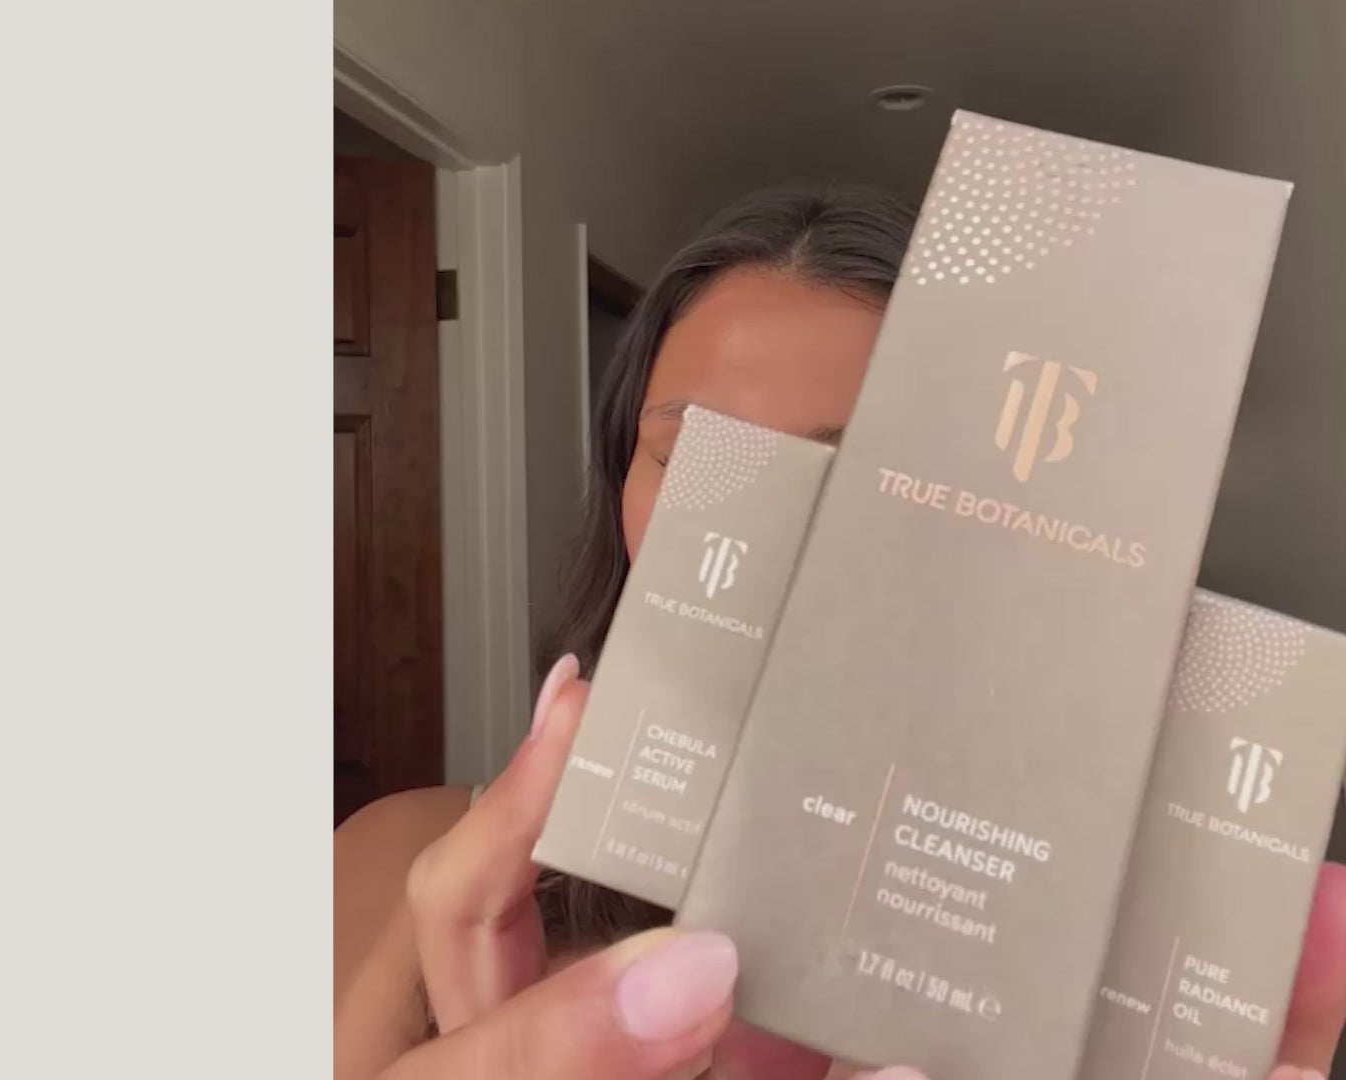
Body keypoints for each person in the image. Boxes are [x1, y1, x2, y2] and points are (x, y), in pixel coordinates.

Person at [333, 183, 1346, 1080]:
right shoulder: (399, 863)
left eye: (857, 473)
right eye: (692, 458)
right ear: (621, 481)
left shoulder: (1125, 976)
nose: (754, 534)